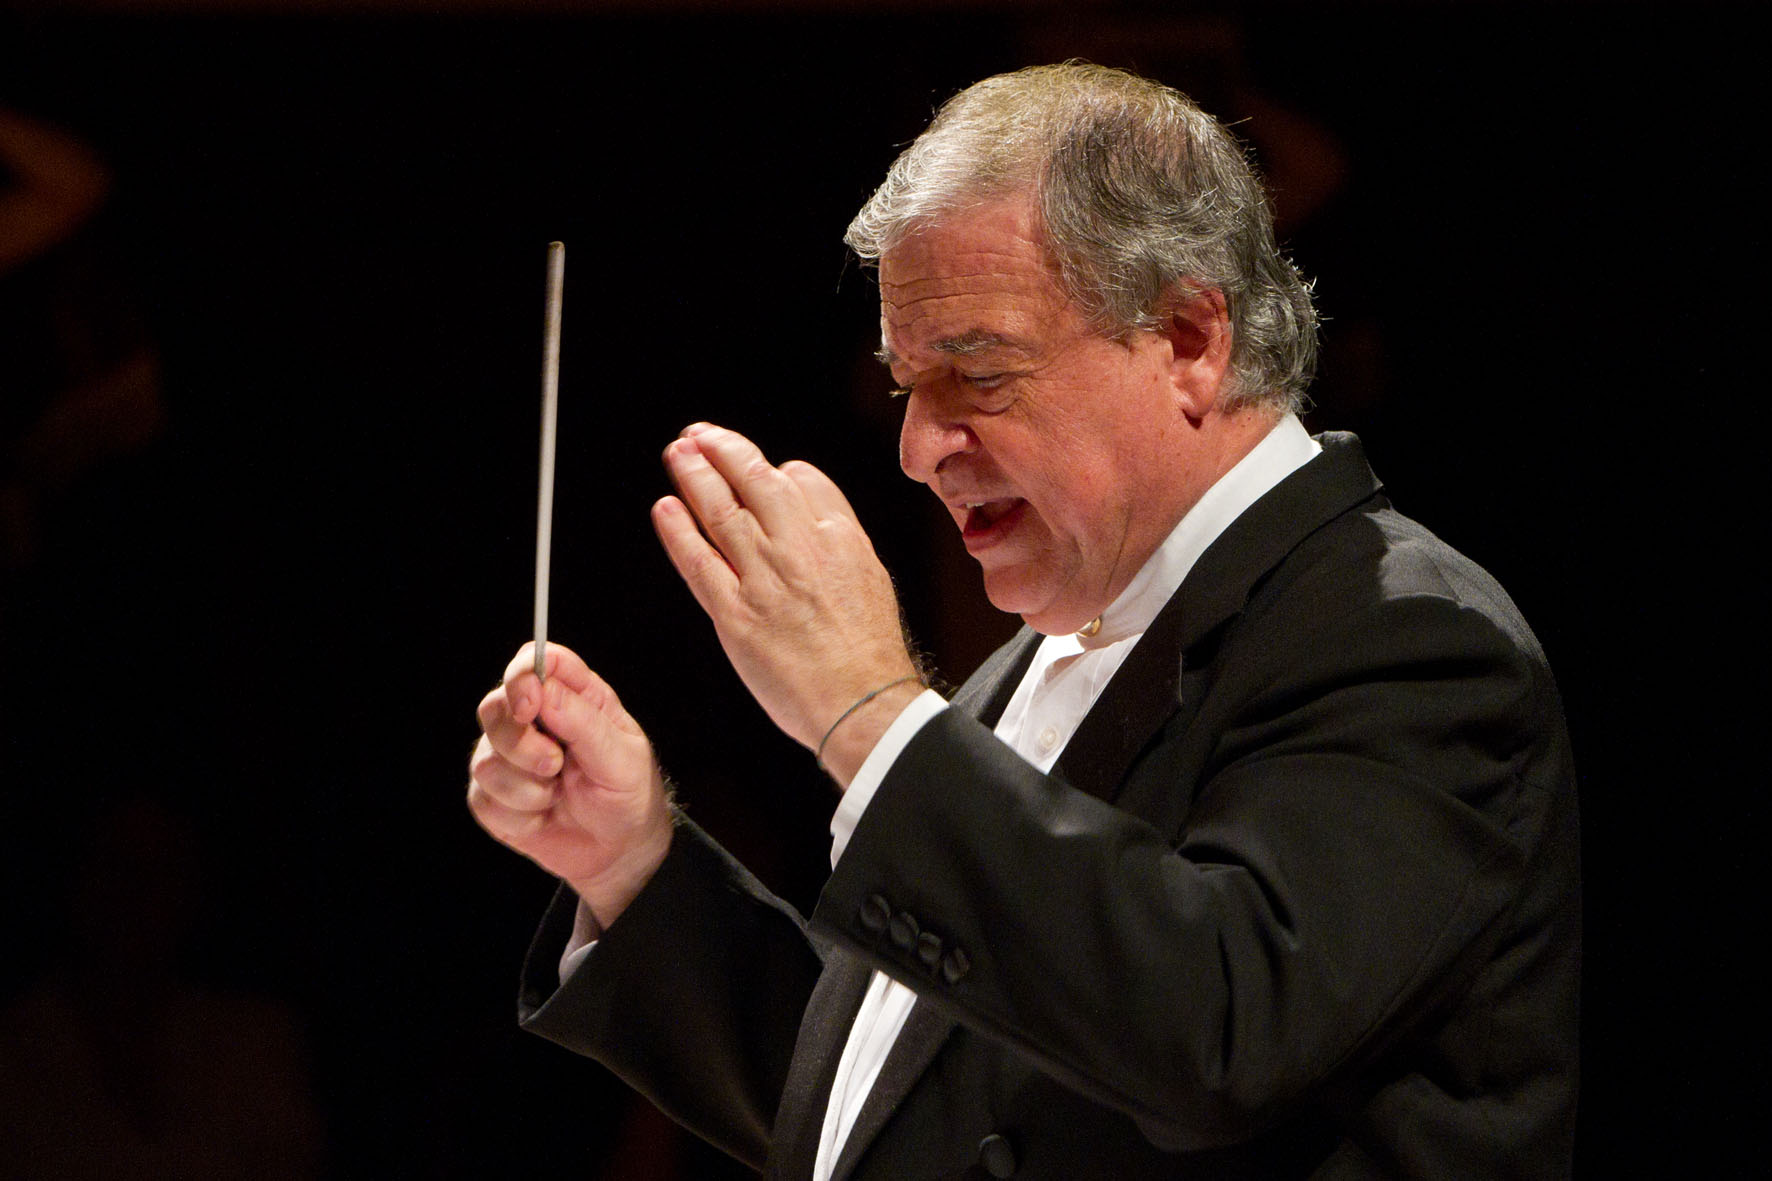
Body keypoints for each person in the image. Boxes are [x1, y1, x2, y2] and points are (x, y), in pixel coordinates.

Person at [468, 63, 1579, 1179]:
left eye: (979, 370)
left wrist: (866, 711)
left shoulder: (1410, 638)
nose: (917, 448)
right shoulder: (1044, 657)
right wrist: (632, 864)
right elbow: (908, 1111)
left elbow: (1213, 1031)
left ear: (1189, 338)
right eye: (906, 383)